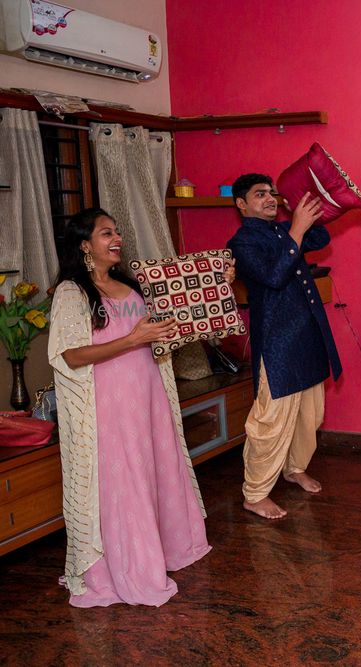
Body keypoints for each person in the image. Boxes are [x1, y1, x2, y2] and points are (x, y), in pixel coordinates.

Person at [48, 207, 217, 607]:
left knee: (156, 468)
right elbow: (70, 355)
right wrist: (133, 339)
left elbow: (154, 331)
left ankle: (167, 551)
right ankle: (129, 568)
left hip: (149, 394)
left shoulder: (131, 284)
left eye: (117, 230)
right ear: (85, 245)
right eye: (107, 233)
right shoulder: (73, 292)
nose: (117, 238)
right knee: (125, 480)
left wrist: (191, 309)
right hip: (110, 403)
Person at [227, 174, 342, 519]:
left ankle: (294, 467)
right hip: (278, 342)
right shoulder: (242, 242)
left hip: (306, 335)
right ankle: (255, 492)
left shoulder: (280, 229)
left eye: (271, 193)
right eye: (259, 194)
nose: (268, 199)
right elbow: (274, 276)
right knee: (271, 419)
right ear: (241, 204)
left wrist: (299, 218)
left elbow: (319, 236)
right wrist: (296, 229)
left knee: (310, 414)